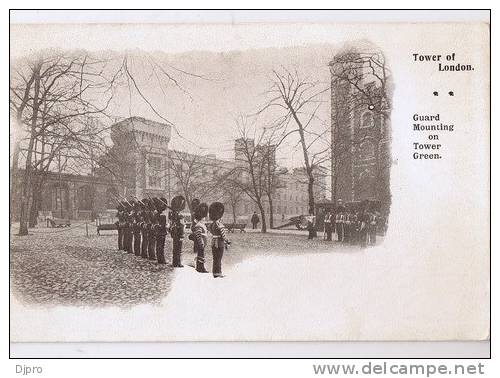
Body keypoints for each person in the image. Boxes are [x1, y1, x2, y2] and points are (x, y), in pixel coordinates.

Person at [208, 202, 230, 278]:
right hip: (219, 243)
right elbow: (224, 236)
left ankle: (215, 272)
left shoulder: (212, 224)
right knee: (219, 258)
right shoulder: (219, 224)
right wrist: (227, 241)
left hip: (213, 242)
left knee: (215, 258)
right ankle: (218, 273)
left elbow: (211, 232)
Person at [190, 202, 209, 273]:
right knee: (200, 255)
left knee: (201, 254)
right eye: (204, 217)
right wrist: (201, 243)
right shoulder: (199, 225)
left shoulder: (201, 224)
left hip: (203, 242)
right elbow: (198, 235)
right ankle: (200, 267)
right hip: (201, 243)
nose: (205, 218)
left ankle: (201, 267)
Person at [170, 195, 186, 268]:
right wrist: (182, 235)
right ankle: (178, 262)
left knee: (175, 248)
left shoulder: (173, 214)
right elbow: (182, 225)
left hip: (175, 232)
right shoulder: (179, 215)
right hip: (178, 232)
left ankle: (175, 262)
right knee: (178, 248)